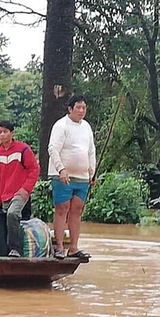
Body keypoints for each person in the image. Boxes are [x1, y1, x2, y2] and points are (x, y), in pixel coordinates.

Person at [48, 94, 96, 260]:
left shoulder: (87, 127)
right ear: (70, 109)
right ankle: (60, 247)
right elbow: (53, 149)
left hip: (82, 177)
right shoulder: (61, 125)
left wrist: (92, 172)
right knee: (62, 209)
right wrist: (61, 169)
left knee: (77, 210)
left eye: (84, 108)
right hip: (63, 175)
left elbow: (91, 151)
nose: (81, 111)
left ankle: (74, 247)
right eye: (78, 107)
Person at [0, 121, 40, 257]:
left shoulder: (23, 149)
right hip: (5, 194)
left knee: (12, 214)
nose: (2, 134)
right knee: (2, 219)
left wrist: (26, 189)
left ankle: (15, 249)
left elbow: (34, 169)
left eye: (5, 132)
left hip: (20, 192)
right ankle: (4, 250)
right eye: (0, 132)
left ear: (12, 133)